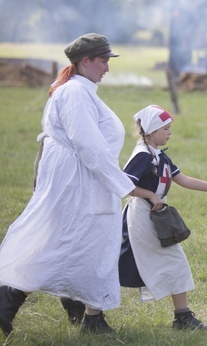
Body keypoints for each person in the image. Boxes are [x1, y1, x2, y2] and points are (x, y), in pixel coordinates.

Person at [0, 33, 137, 336]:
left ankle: (85, 312)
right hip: (78, 181)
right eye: (103, 61)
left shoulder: (79, 90)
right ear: (85, 61)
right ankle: (9, 301)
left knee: (82, 243)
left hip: (82, 178)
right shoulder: (74, 92)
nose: (107, 68)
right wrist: (124, 184)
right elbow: (89, 146)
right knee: (65, 242)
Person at [118, 105, 207, 332]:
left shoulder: (158, 155)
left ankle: (182, 317)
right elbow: (124, 183)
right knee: (126, 264)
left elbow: (183, 179)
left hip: (154, 217)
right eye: (166, 128)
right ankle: (88, 304)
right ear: (152, 130)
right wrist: (150, 194)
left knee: (172, 262)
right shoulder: (143, 155)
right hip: (140, 218)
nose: (170, 133)